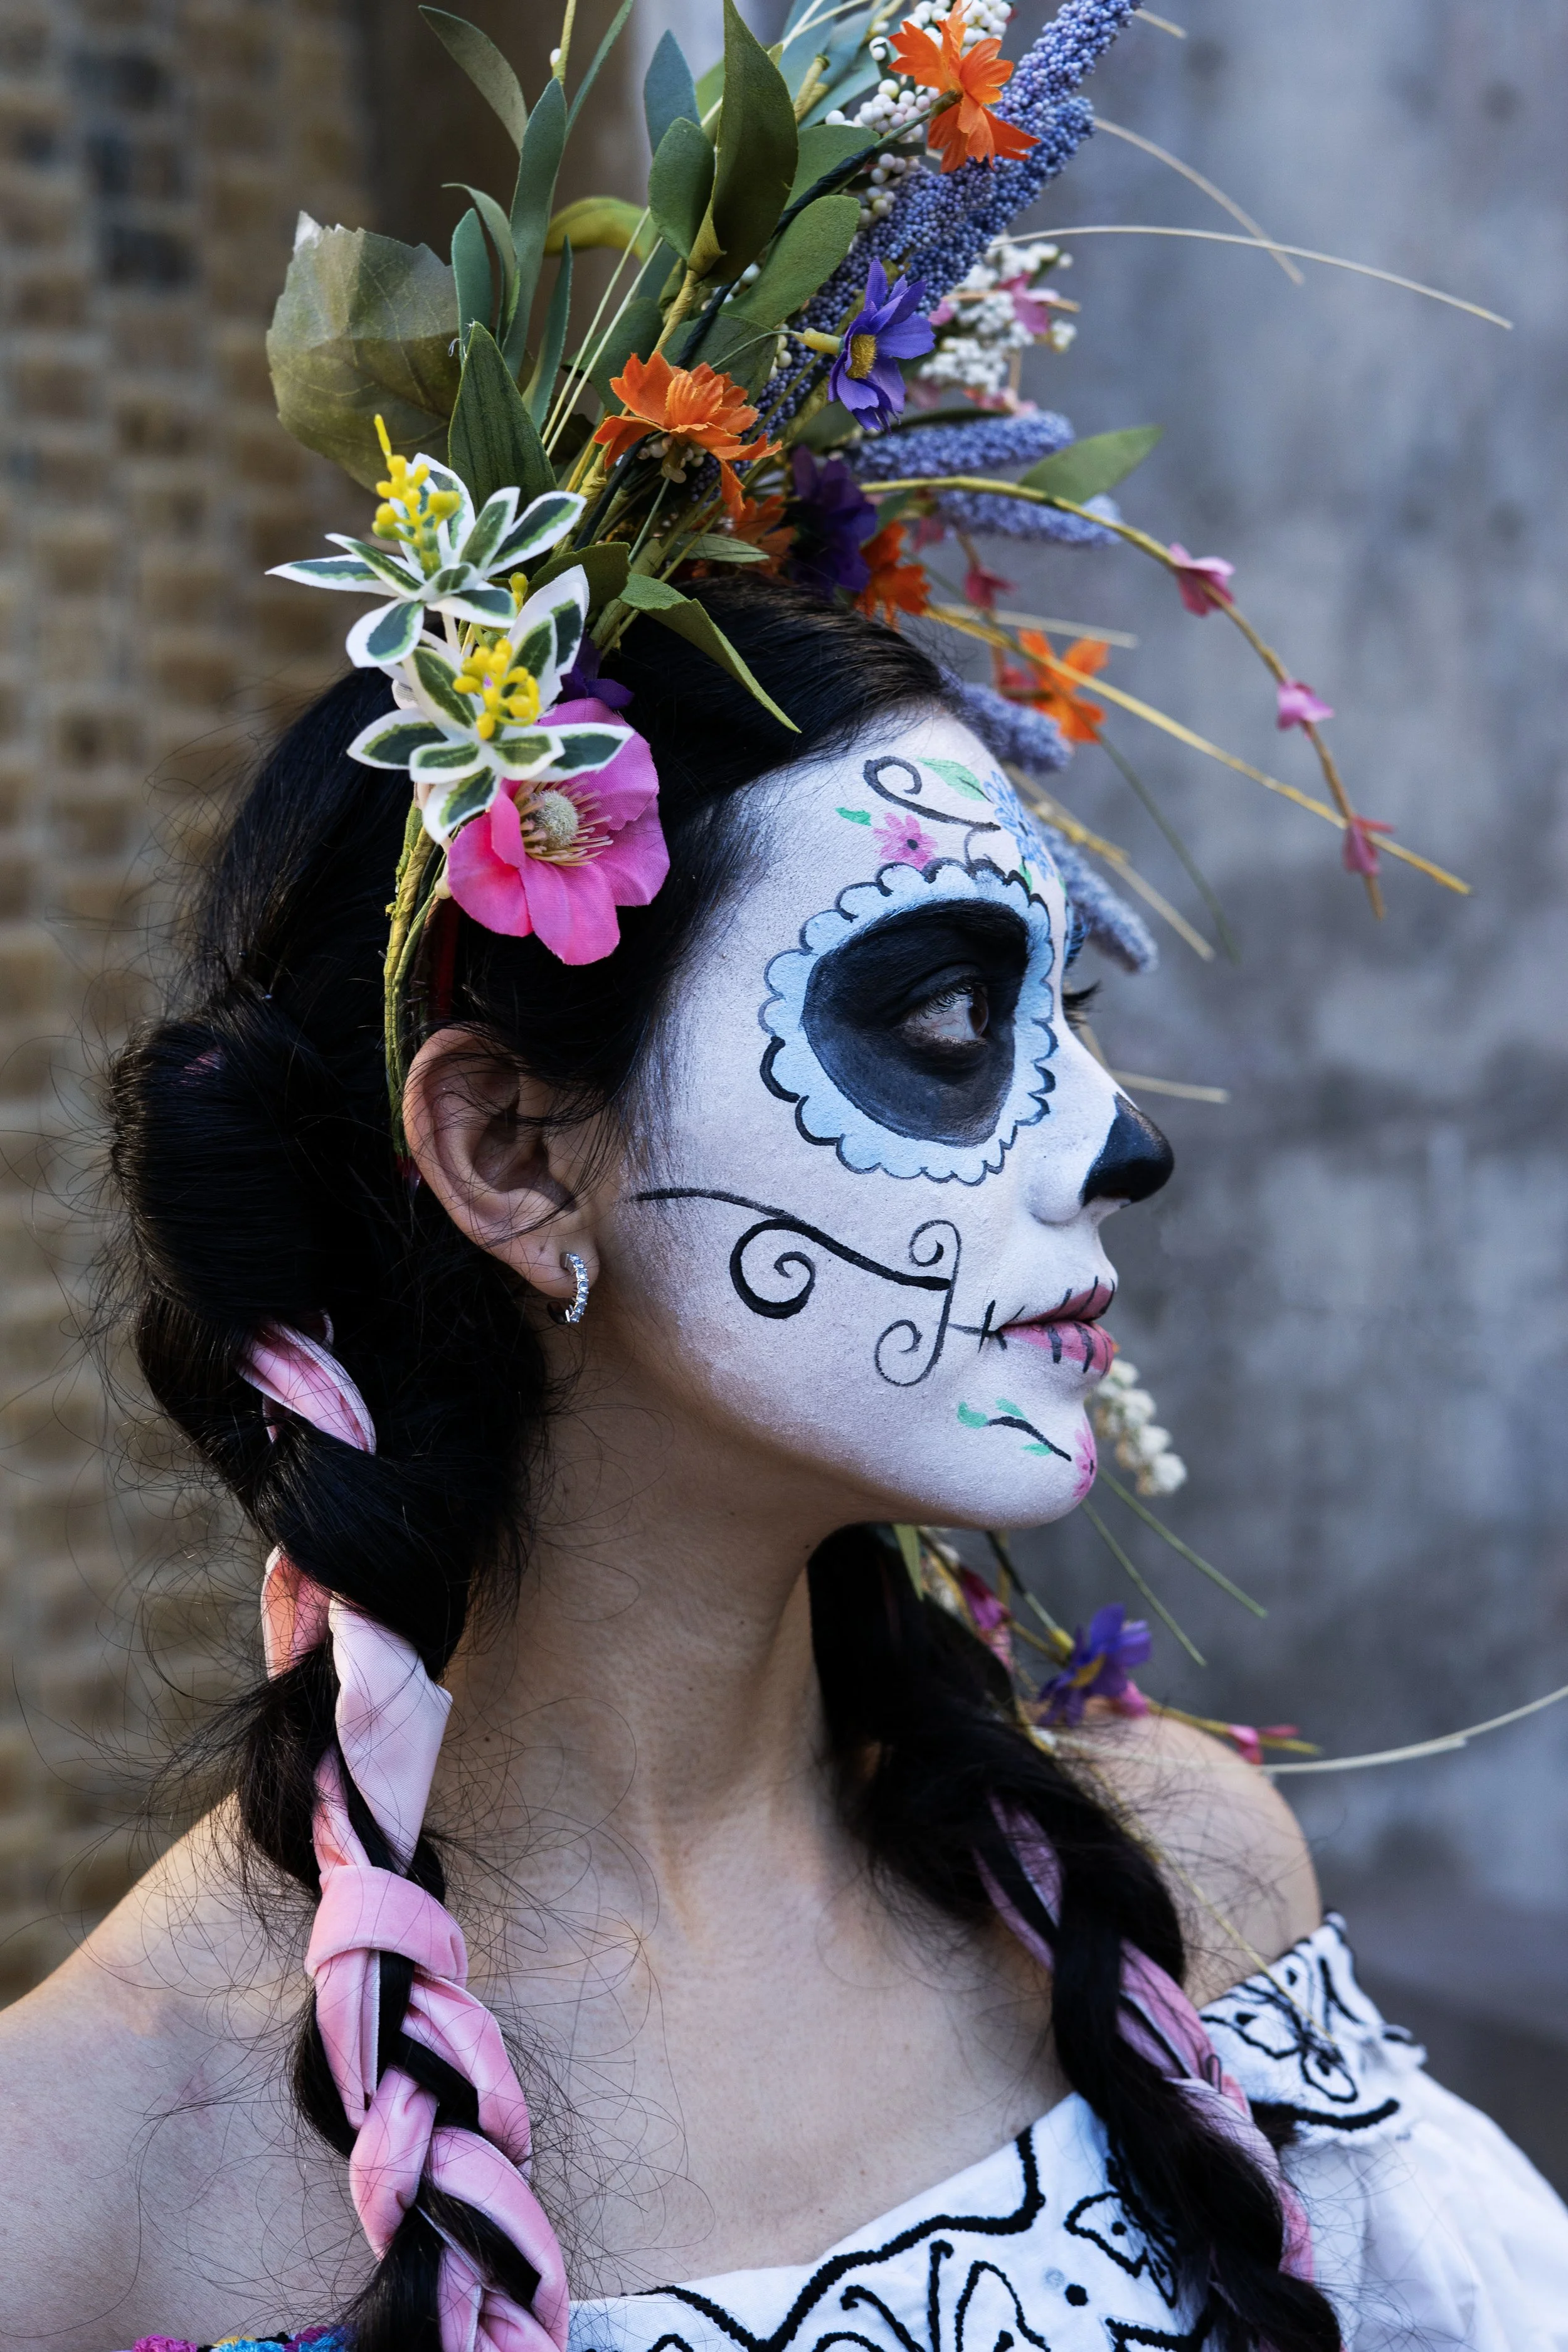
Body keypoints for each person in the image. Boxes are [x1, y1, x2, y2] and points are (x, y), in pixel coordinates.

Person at [0, 582, 1564, 2352]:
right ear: (512, 1151)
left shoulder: (1184, 1885)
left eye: (1072, 1004)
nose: (1112, 1135)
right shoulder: (78, 2176)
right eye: (956, 1020)